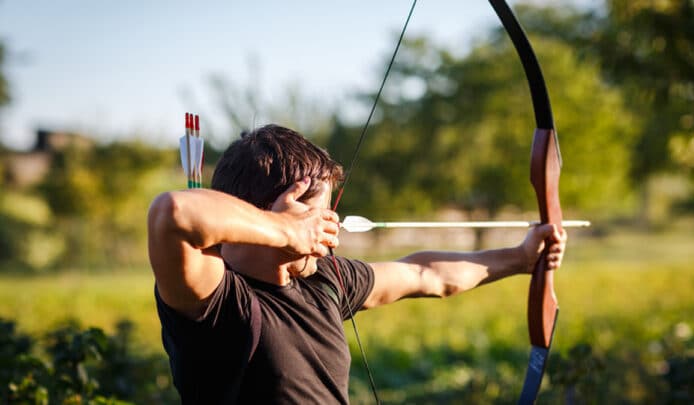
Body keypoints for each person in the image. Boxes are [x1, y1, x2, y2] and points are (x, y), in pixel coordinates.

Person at [147, 124, 567, 404]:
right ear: (274, 211)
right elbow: (172, 213)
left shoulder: (322, 278)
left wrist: (521, 257)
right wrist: (288, 231)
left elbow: (427, 274)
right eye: (318, 213)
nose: (329, 226)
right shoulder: (215, 300)